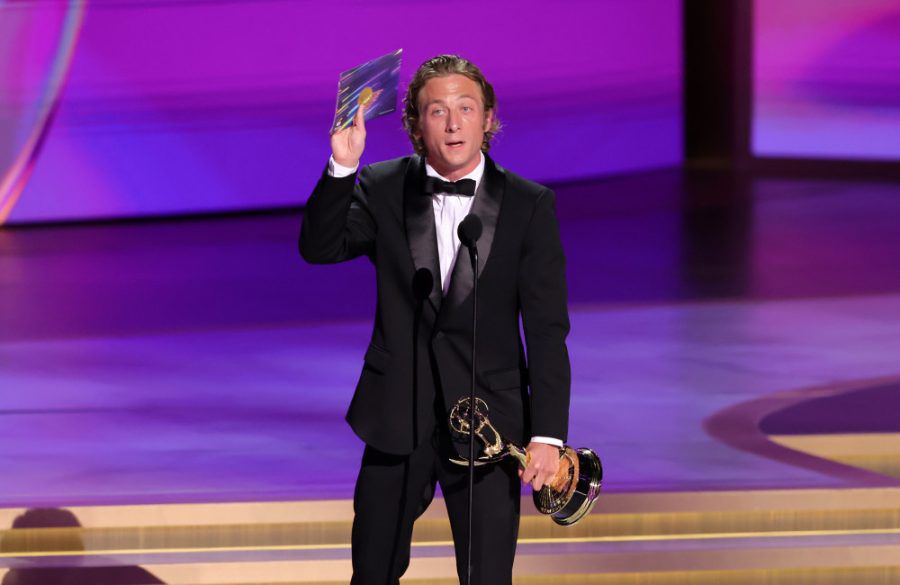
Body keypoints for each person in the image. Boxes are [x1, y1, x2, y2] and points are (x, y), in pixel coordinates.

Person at [300, 54, 571, 585]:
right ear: (414, 125)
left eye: (466, 109)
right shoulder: (382, 186)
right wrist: (341, 167)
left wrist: (548, 435)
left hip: (490, 426)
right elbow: (320, 247)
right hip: (398, 414)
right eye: (437, 111)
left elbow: (545, 329)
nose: (453, 124)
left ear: (489, 118)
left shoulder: (528, 205)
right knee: (373, 572)